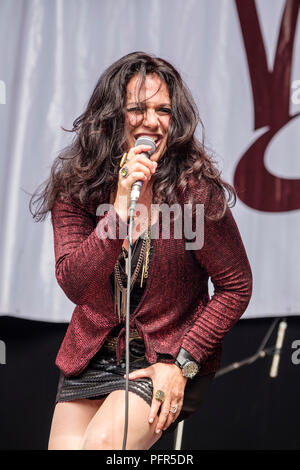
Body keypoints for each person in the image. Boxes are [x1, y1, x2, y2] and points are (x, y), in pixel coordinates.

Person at [29, 51, 252, 450]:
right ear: (112, 116)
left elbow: (236, 286)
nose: (152, 121)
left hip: (166, 359)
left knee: (100, 444)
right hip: (93, 356)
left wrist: (183, 363)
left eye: (163, 110)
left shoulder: (193, 192)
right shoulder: (78, 189)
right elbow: (75, 284)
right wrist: (118, 208)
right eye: (137, 109)